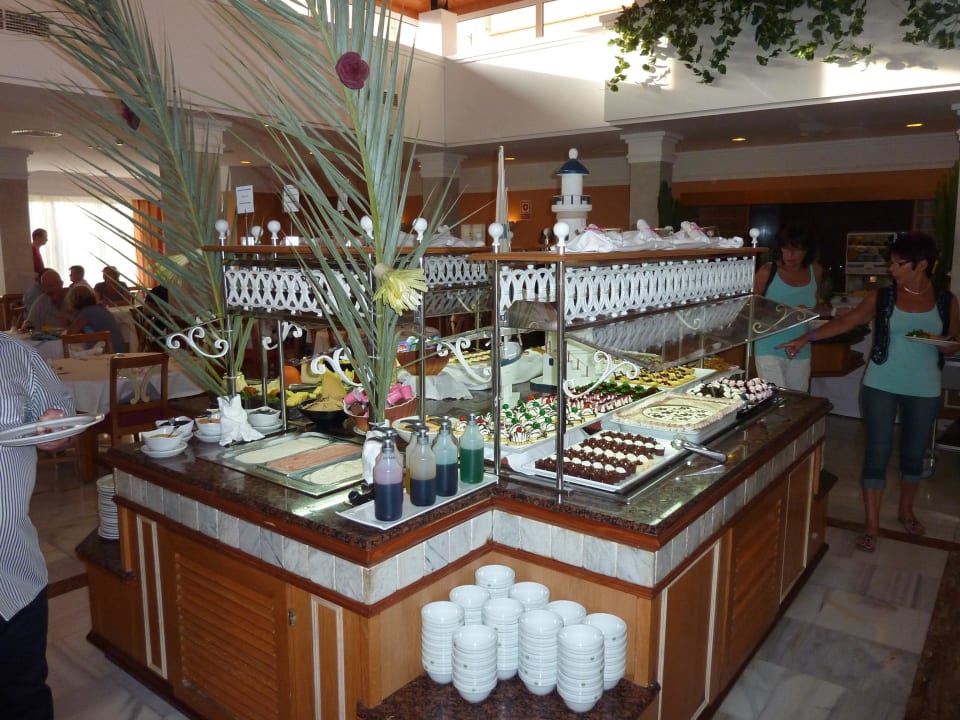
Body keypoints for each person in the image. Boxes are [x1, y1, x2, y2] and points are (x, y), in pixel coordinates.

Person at [779, 232, 960, 553]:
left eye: (898, 263)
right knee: (877, 453)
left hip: (925, 387)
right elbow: (847, 322)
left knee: (914, 454)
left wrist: (945, 345)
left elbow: (952, 343)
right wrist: (807, 339)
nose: (891, 269)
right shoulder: (883, 297)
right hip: (881, 385)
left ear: (921, 265)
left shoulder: (946, 301)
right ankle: (872, 525)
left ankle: (906, 511)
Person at [0, 331, 76, 719]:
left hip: (13, 568)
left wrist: (54, 432)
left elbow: (60, 412)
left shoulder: (15, 354)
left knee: (24, 693)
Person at [752, 224, 828, 392]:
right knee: (775, 398)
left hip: (801, 345)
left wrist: (832, 311)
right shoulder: (767, 271)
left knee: (799, 400)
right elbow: (751, 308)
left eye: (796, 249)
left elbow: (814, 307)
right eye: (786, 249)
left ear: (807, 250)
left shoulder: (815, 271)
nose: (790, 255)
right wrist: (787, 311)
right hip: (769, 345)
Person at [63, 284, 128, 353]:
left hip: (109, 351)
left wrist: (71, 317)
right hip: (118, 349)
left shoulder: (87, 312)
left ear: (75, 301)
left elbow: (69, 335)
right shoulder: (100, 308)